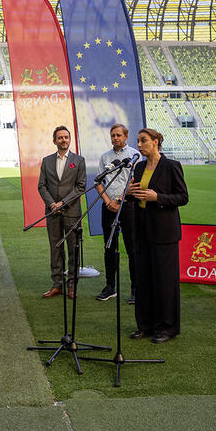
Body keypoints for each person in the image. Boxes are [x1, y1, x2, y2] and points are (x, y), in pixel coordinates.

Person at [128, 128, 188, 344]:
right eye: (138, 141)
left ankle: (167, 327)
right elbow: (136, 196)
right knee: (143, 279)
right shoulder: (140, 166)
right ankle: (145, 324)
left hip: (164, 231)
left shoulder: (171, 166)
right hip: (142, 228)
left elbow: (182, 197)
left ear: (156, 142)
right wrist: (129, 194)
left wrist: (158, 197)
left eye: (143, 141)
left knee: (164, 281)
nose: (140, 144)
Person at [37, 125, 86, 299]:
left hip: (72, 212)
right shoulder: (46, 161)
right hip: (52, 213)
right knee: (55, 249)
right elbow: (41, 186)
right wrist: (52, 204)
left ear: (70, 139)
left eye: (66, 137)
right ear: (54, 141)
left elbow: (80, 187)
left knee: (73, 249)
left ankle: (72, 285)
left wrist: (62, 203)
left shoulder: (79, 160)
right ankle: (57, 284)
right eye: (60, 137)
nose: (63, 140)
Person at [94, 123, 141, 303]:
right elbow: (99, 182)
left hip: (128, 206)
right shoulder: (105, 157)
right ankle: (110, 287)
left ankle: (135, 289)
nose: (115, 138)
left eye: (118, 135)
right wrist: (108, 202)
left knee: (132, 248)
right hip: (109, 207)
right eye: (113, 135)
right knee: (109, 247)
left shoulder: (134, 155)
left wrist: (120, 200)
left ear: (126, 136)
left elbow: (135, 181)